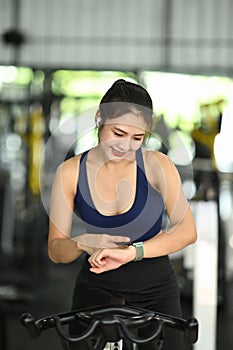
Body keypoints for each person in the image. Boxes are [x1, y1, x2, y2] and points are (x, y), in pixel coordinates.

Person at [48, 79, 197, 350]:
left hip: (157, 294)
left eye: (137, 138)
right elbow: (56, 251)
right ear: (99, 119)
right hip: (95, 292)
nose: (126, 146)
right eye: (118, 133)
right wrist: (82, 242)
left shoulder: (157, 165)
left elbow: (187, 231)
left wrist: (132, 252)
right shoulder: (69, 173)